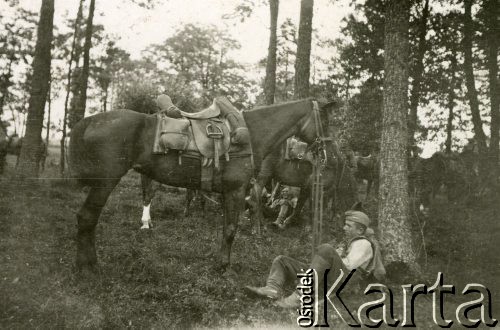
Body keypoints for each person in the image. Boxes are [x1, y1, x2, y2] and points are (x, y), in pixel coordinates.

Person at [244, 210, 386, 308]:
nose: (344, 228)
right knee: (282, 261)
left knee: (326, 249)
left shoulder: (364, 244)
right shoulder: (350, 241)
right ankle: (273, 289)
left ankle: (301, 295)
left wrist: (330, 254)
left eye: (348, 226)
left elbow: (348, 266)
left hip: (342, 281)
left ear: (360, 230)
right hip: (330, 276)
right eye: (345, 224)